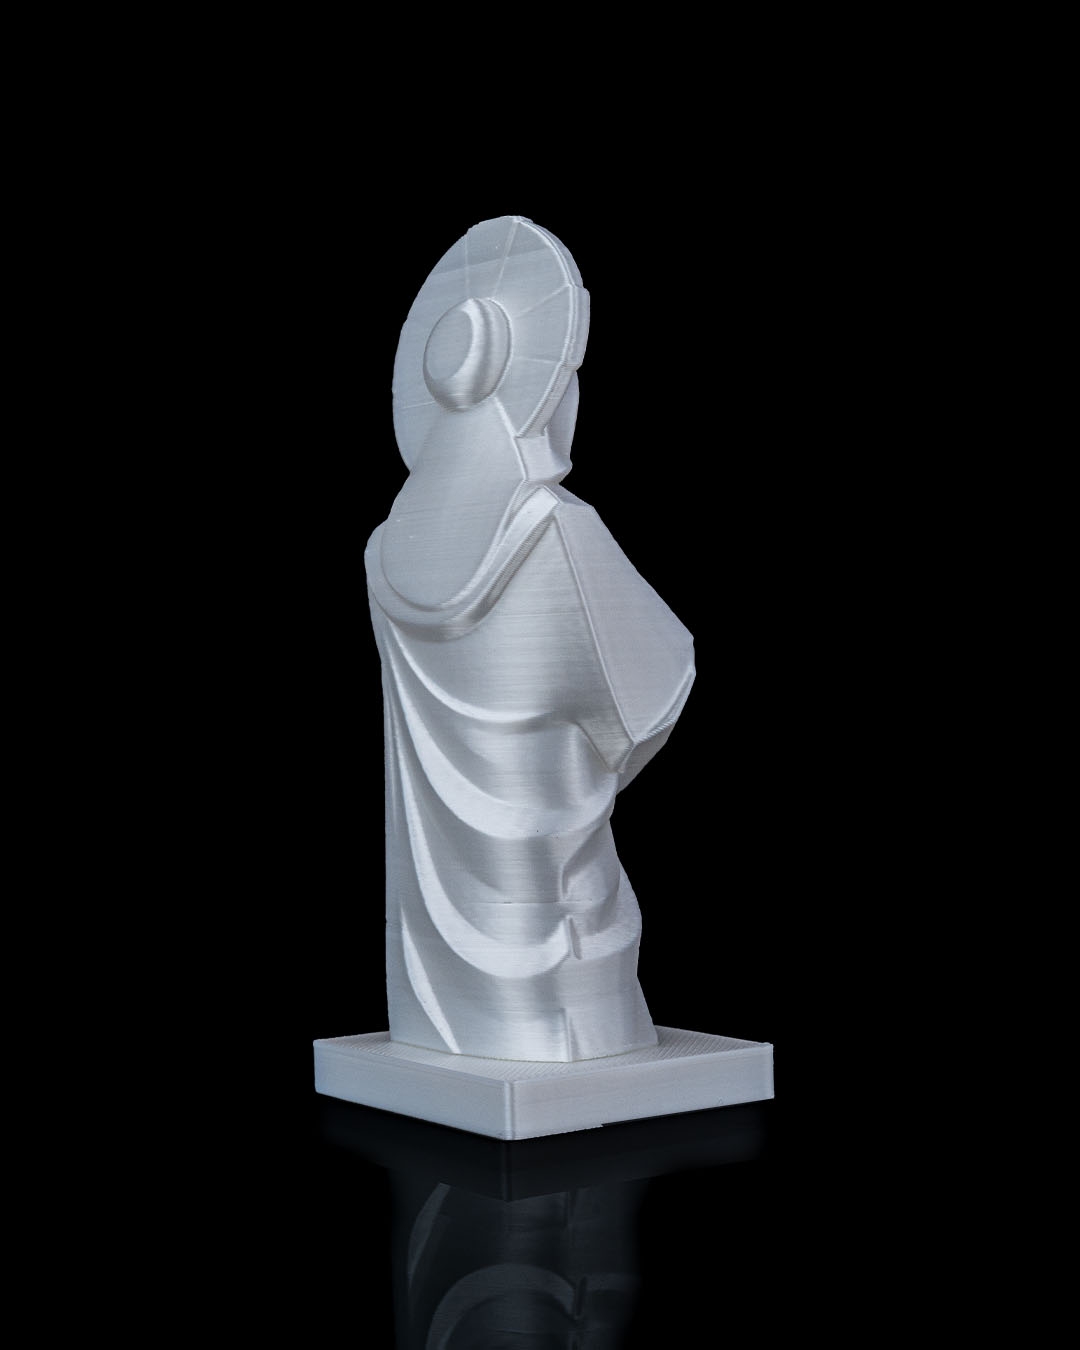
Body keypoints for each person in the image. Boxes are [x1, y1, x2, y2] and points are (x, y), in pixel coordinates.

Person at [366, 217, 694, 1062]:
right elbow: (649, 699)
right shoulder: (555, 528)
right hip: (560, 904)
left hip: (446, 912)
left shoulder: (384, 550)